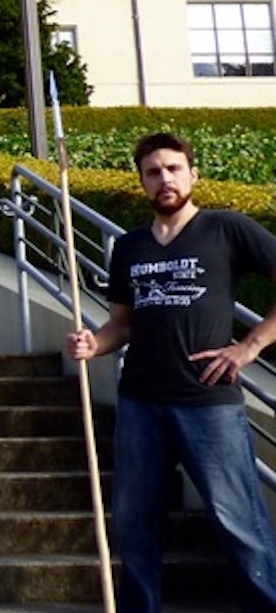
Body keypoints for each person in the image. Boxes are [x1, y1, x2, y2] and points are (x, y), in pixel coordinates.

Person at [65, 132, 276, 613]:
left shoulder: (226, 229)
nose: (165, 179)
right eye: (154, 172)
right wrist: (94, 343)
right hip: (141, 400)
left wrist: (249, 347)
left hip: (208, 402)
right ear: (142, 182)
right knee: (135, 525)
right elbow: (122, 323)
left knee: (238, 521)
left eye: (174, 169)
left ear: (192, 174)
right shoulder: (130, 246)